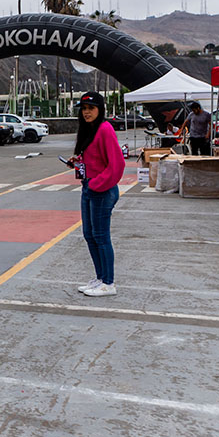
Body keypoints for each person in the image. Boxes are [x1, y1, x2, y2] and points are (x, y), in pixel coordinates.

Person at [68, 91, 125, 297]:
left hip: (102, 189)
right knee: (89, 235)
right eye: (83, 109)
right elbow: (95, 160)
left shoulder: (105, 129)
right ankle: (100, 278)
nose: (86, 112)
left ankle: (109, 283)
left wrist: (97, 184)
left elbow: (117, 164)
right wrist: (78, 163)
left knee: (101, 236)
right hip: (89, 187)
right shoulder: (89, 131)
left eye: (91, 108)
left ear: (100, 109)